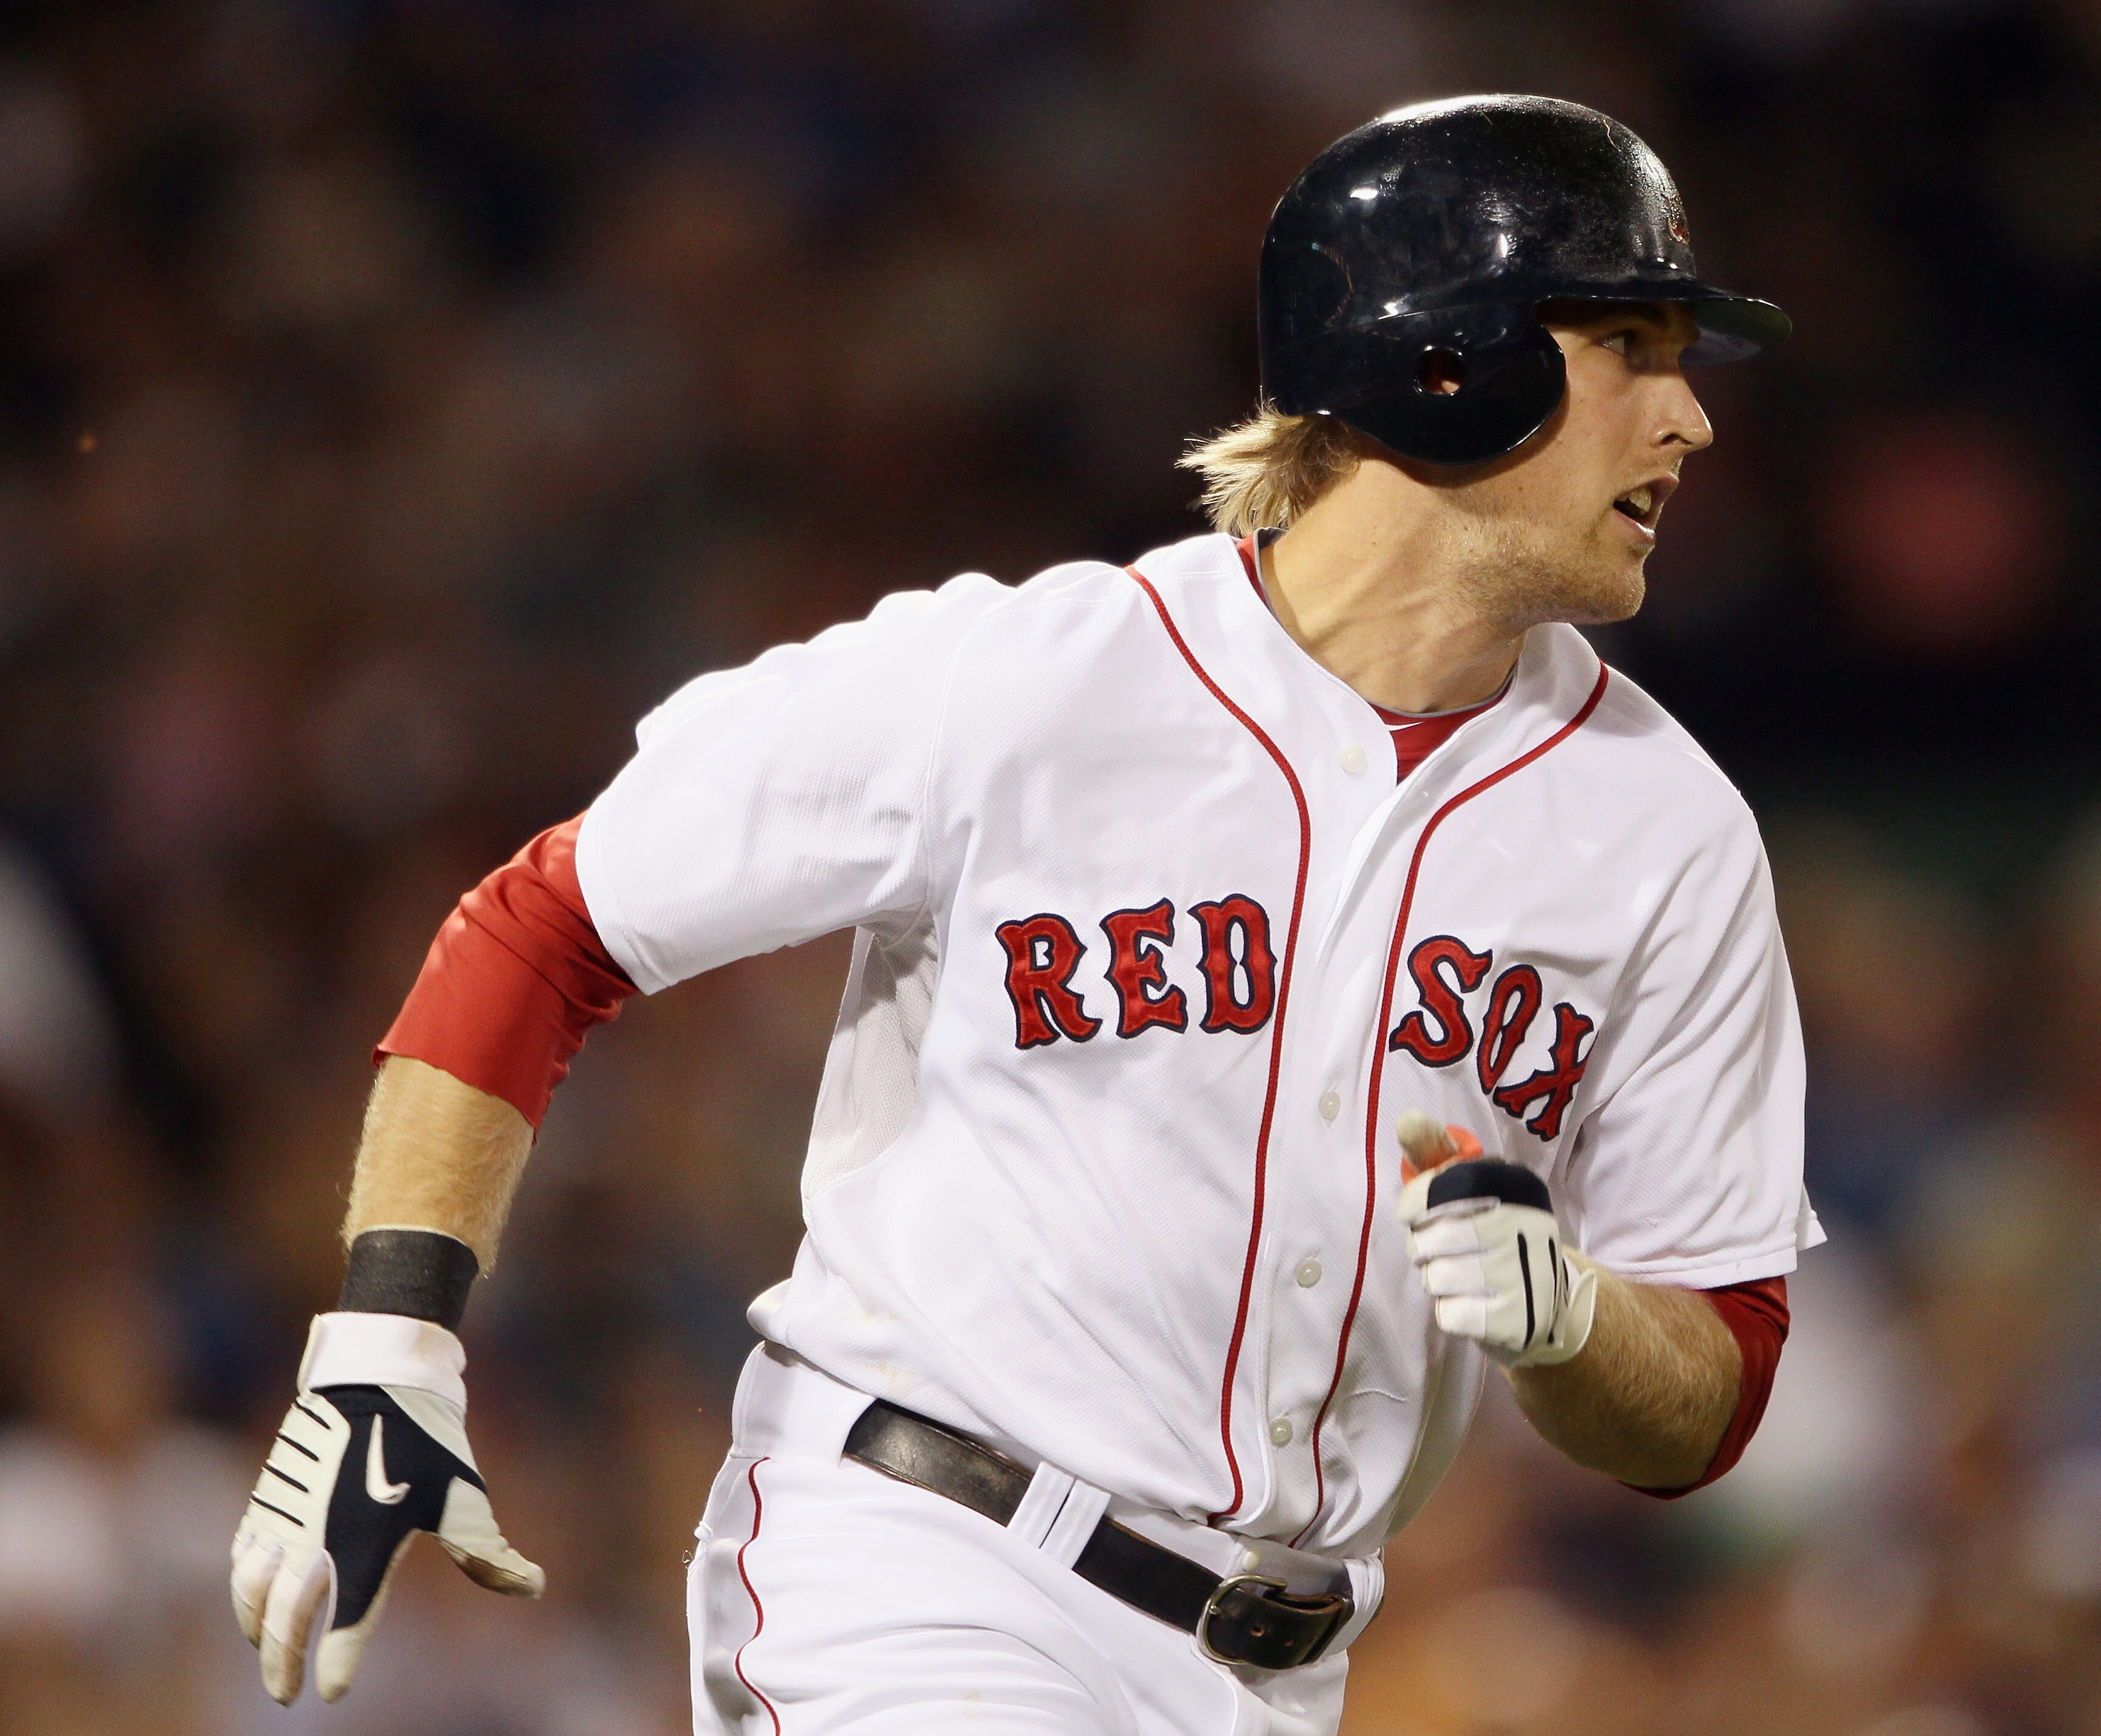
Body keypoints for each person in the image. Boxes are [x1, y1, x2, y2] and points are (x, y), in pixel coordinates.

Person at [230, 95, 1820, 1735]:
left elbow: (1715, 1387)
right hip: (923, 1571)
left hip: (1282, 1673)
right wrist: (387, 1340)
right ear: (1446, 356)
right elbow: (544, 926)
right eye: (1631, 343)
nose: (1688, 420)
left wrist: (1573, 1327)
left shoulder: (1671, 836)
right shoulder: (1030, 682)